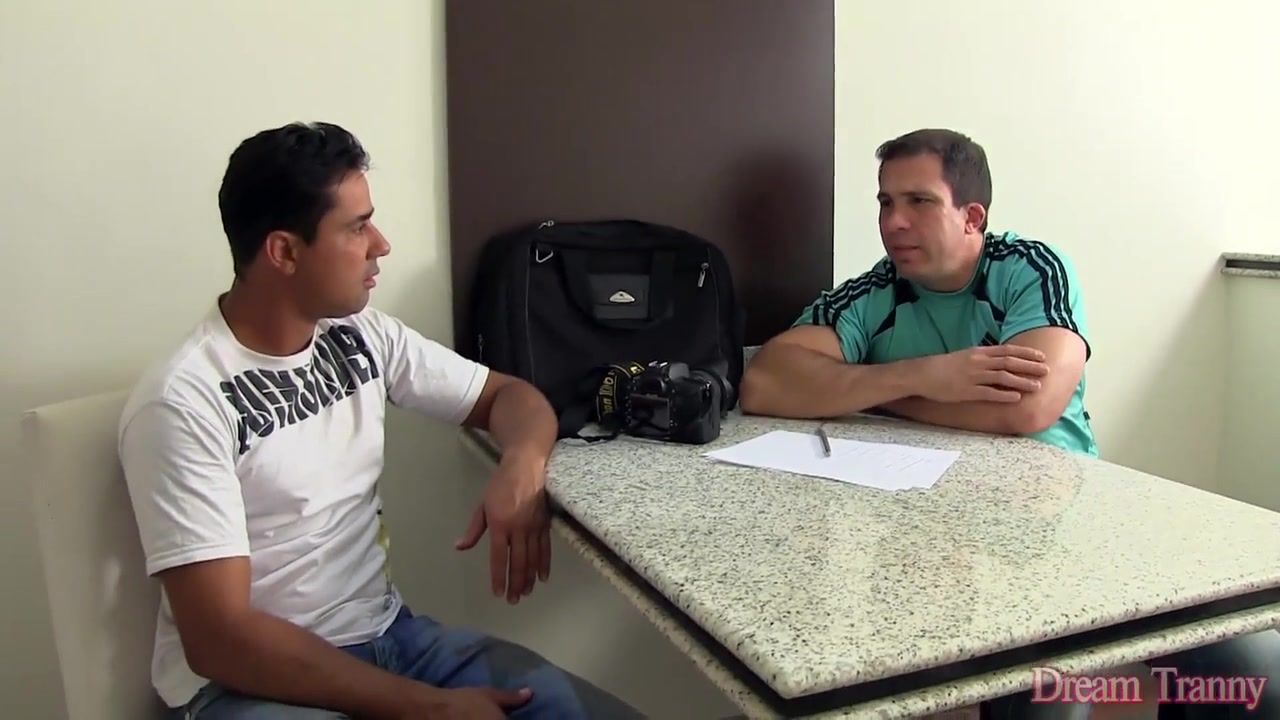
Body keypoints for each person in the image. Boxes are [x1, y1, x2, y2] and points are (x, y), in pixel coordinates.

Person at [740, 128, 1277, 719]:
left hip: (1061, 520)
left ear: (972, 216)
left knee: (1258, 676)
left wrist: (879, 395)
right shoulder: (875, 292)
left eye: (919, 201)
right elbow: (766, 383)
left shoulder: (1030, 268)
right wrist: (926, 374)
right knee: (1047, 705)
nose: (894, 222)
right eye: (885, 202)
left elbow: (1028, 409)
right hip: (926, 527)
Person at [118, 121, 643, 720]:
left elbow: (510, 398)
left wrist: (521, 466)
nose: (381, 244)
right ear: (284, 252)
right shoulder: (183, 402)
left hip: (393, 641)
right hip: (249, 685)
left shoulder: (358, 334)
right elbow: (221, 640)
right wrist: (431, 709)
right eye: (357, 227)